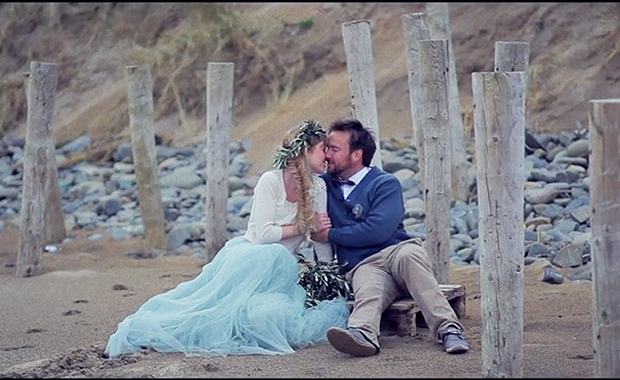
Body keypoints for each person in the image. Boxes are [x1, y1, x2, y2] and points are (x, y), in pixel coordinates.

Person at [104, 120, 349, 358]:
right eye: (322, 149)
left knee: (266, 311)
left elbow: (319, 236)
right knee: (212, 309)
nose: (327, 156)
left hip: (281, 270)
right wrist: (303, 225)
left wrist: (328, 273)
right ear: (305, 151)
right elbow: (264, 235)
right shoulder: (270, 181)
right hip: (251, 259)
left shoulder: (318, 187)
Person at [312, 118, 470, 356]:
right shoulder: (322, 187)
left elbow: (377, 230)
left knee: (410, 258)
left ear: (357, 155)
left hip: (397, 251)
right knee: (367, 291)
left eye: (334, 150)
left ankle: (448, 329)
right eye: (326, 149)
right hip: (363, 264)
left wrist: (331, 234)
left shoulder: (384, 183)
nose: (327, 156)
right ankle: (362, 334)